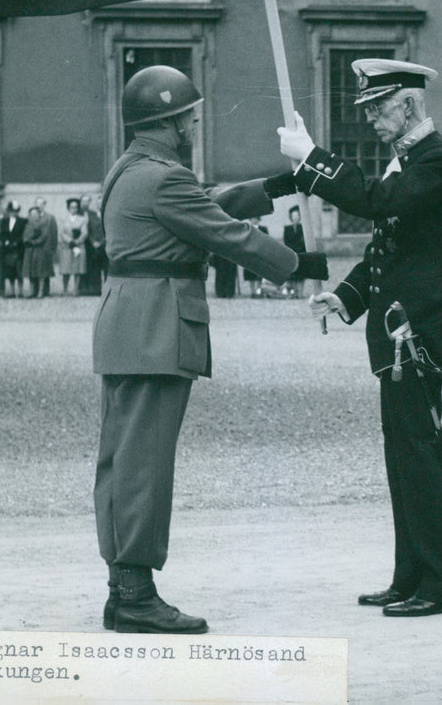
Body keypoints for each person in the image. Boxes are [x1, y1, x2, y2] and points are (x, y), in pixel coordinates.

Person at [94, 65, 329, 634]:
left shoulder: (134, 170)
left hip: (129, 326)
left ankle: (123, 588)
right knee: (145, 464)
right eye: (189, 119)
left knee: (124, 461)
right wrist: (300, 265)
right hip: (156, 328)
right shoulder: (164, 178)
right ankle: (135, 597)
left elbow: (206, 202)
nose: (194, 126)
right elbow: (224, 232)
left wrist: (277, 185)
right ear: (172, 122)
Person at [278, 57, 442, 619]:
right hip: (396, 327)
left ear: (408, 104)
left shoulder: (437, 163)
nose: (370, 119)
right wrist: (346, 297)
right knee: (402, 457)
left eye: (378, 108)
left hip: (421, 329)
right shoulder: (408, 161)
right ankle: (412, 576)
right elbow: (386, 249)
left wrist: (313, 159)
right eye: (366, 109)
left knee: (418, 452)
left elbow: (377, 204)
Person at [59, 197, 87, 296]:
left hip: (78, 247)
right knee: (66, 270)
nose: (73, 209)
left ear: (78, 208)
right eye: (71, 207)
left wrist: (77, 241)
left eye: (75, 207)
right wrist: (70, 241)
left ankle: (75, 290)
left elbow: (84, 233)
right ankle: (65, 289)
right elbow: (62, 233)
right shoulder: (63, 219)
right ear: (68, 208)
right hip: (67, 247)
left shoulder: (82, 219)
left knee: (77, 269)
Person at [22, 205, 53, 298]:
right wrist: (28, 241)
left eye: (35, 214)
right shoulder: (27, 225)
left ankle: (41, 291)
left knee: (40, 271)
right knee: (30, 271)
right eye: (31, 214)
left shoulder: (44, 224)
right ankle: (32, 290)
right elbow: (24, 237)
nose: (33, 216)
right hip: (29, 250)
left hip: (40, 250)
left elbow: (44, 236)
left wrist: (34, 242)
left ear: (39, 215)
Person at [0, 200, 26, 297]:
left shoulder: (23, 221)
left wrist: (16, 242)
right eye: (12, 211)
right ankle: (12, 291)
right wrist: (6, 242)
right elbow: (2, 234)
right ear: (9, 211)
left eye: (16, 211)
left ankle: (21, 291)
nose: (14, 213)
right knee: (10, 271)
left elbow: (23, 234)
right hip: (7, 249)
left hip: (18, 249)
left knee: (19, 271)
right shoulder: (4, 221)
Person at [80, 194, 106, 295]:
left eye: (102, 203)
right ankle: (96, 290)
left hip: (105, 246)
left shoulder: (109, 215)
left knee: (107, 269)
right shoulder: (92, 216)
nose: (100, 205)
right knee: (95, 269)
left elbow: (109, 231)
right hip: (94, 246)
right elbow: (89, 231)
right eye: (98, 203)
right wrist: (93, 242)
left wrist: (102, 242)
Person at [34, 197, 58, 296]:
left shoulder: (50, 218)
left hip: (46, 247)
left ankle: (45, 291)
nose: (39, 206)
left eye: (41, 204)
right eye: (37, 204)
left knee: (45, 269)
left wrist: (53, 248)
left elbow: (54, 233)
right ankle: (35, 290)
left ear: (44, 205)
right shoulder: (33, 217)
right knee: (35, 268)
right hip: (35, 248)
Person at [242, 216, 270, 297]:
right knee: (250, 273)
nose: (254, 220)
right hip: (249, 253)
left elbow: (267, 240)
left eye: (256, 218)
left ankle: (258, 290)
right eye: (253, 218)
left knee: (259, 273)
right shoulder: (247, 228)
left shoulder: (263, 229)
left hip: (260, 253)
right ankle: (252, 291)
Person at [282, 205, 306, 298]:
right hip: (291, 253)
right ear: (291, 217)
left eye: (297, 216)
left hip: (301, 253)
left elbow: (304, 241)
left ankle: (300, 293)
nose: (295, 218)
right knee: (293, 274)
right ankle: (294, 292)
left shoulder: (302, 228)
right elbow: (286, 241)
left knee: (301, 274)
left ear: (299, 217)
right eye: (293, 216)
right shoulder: (287, 229)